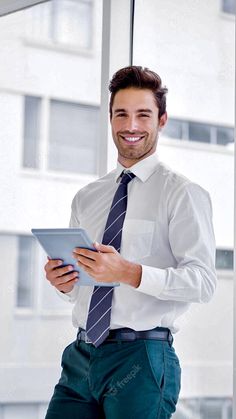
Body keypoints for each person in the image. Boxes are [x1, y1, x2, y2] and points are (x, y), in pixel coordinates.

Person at [44, 66, 217, 419]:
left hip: (141, 359)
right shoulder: (88, 197)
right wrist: (64, 282)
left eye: (143, 114)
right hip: (81, 355)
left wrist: (130, 272)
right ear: (110, 119)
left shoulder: (182, 194)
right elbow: (83, 289)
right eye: (121, 114)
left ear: (162, 120)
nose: (131, 125)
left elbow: (203, 282)